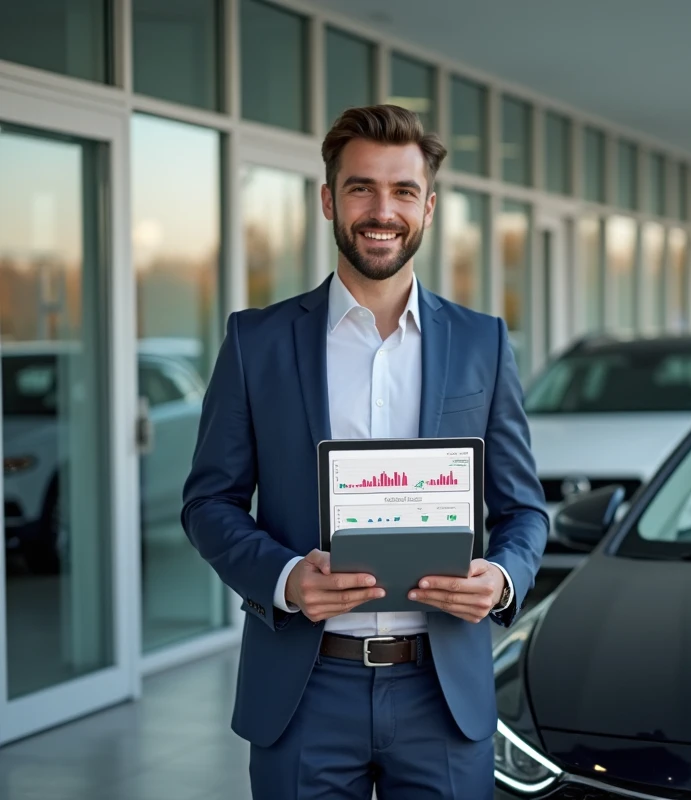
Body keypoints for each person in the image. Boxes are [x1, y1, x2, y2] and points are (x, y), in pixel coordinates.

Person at [180, 104, 548, 798]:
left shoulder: (483, 342)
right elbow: (208, 503)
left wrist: (500, 581)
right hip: (305, 686)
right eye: (361, 188)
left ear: (429, 207)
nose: (383, 210)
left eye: (403, 190)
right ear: (328, 200)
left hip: (441, 692)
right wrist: (287, 578)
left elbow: (525, 510)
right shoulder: (256, 342)